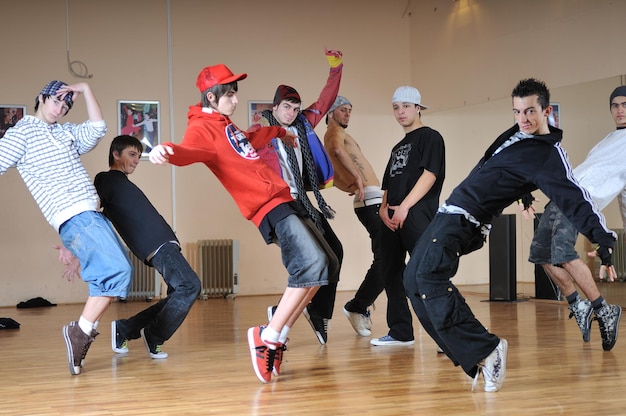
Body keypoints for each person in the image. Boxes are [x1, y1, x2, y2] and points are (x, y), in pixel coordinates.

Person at [402, 78, 618, 393]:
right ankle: (473, 357)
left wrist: (603, 239)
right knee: (412, 279)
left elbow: (575, 198)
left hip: (466, 220)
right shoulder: (517, 135)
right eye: (517, 112)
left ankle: (487, 350)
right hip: (450, 212)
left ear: (546, 111)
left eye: (530, 111)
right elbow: (500, 169)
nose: (523, 119)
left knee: (430, 278)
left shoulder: (548, 155)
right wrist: (525, 195)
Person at [148, 64, 338, 383]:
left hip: (282, 196)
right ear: (212, 96)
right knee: (309, 264)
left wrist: (279, 132)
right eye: (229, 94)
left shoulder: (225, 125)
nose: (235, 100)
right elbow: (190, 150)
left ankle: (277, 337)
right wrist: (166, 151)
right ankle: (267, 335)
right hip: (267, 205)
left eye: (236, 94)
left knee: (326, 266)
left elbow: (249, 138)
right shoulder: (202, 127)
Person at [0, 80, 132, 375]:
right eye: (56, 100)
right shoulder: (22, 132)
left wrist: (85, 89)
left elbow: (97, 128)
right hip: (74, 215)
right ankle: (81, 331)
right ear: (41, 97)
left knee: (104, 280)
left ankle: (80, 334)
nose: (59, 108)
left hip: (89, 215)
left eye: (65, 105)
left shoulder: (64, 132)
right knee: (119, 271)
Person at [254, 49, 343, 345]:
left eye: (295, 108)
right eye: (287, 107)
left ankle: (308, 313)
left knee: (334, 253)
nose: (291, 113)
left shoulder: (303, 126)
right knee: (309, 262)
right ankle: (280, 321)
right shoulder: (263, 131)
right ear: (275, 107)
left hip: (304, 203)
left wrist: (335, 68)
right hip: (281, 205)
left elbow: (326, 100)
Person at [528, 85, 626, 349]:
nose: (620, 110)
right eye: (615, 105)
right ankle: (578, 304)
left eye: (624, 105)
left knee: (561, 252)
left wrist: (606, 236)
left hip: (581, 202)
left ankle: (604, 310)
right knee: (540, 253)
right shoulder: (606, 140)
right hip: (564, 193)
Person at [93, 135, 201, 359]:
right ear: (116, 154)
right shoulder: (105, 179)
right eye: (131, 155)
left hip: (164, 242)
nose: (135, 160)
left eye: (138, 156)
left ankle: (126, 329)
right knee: (190, 286)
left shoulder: (122, 182)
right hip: (156, 244)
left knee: (177, 294)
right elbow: (93, 210)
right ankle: (154, 336)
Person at [370, 86, 446, 346]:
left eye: (405, 106)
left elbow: (430, 174)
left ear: (417, 108)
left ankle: (446, 335)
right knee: (391, 272)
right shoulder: (397, 147)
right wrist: (383, 208)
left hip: (416, 217)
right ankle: (401, 332)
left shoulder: (431, 137)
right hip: (390, 220)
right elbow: (389, 182)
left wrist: (404, 207)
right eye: (396, 107)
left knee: (425, 274)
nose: (400, 112)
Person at [323, 96, 383, 337]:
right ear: (331, 112)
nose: (347, 114)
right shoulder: (333, 133)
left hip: (372, 198)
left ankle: (360, 304)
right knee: (387, 259)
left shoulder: (335, 134)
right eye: (343, 110)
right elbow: (336, 150)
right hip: (370, 201)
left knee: (390, 259)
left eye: (350, 110)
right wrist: (357, 180)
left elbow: (329, 171)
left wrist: (348, 183)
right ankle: (357, 306)